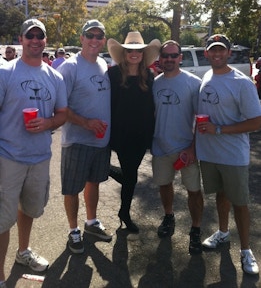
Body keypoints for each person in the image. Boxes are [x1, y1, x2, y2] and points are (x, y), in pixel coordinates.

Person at [0, 19, 68, 288]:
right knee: (2, 218)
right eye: (31, 36)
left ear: (45, 40)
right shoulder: (6, 73)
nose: (36, 40)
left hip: (39, 158)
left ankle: (23, 252)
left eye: (41, 36)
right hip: (8, 157)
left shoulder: (55, 77)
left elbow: (62, 114)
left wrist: (49, 123)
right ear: (21, 39)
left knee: (28, 209)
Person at [196, 34, 261, 274]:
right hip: (210, 154)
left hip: (233, 155)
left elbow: (256, 122)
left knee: (240, 203)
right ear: (206, 53)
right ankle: (223, 233)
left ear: (229, 52)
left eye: (221, 50)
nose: (217, 54)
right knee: (221, 196)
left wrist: (219, 129)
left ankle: (246, 251)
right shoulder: (207, 76)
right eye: (212, 50)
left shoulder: (242, 82)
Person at [57, 19, 112, 255]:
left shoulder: (103, 63)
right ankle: (73, 230)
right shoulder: (70, 67)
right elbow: (59, 107)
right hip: (76, 141)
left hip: (100, 141)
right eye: (90, 35)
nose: (94, 40)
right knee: (72, 188)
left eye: (99, 36)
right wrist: (86, 122)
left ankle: (91, 222)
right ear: (81, 38)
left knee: (94, 182)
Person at [151, 40, 204, 254]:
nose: (170, 59)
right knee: (164, 185)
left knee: (194, 191)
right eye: (166, 55)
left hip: (185, 148)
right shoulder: (154, 83)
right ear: (160, 58)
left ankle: (196, 229)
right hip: (160, 146)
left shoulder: (193, 83)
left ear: (180, 58)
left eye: (174, 55)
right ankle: (169, 216)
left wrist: (193, 148)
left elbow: (201, 120)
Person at [107, 31, 161, 233]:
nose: (134, 53)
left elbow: (152, 106)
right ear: (124, 52)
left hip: (142, 135)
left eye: (138, 50)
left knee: (131, 175)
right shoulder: (113, 75)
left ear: (143, 53)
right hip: (120, 134)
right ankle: (125, 213)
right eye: (130, 50)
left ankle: (124, 212)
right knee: (130, 175)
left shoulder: (149, 75)